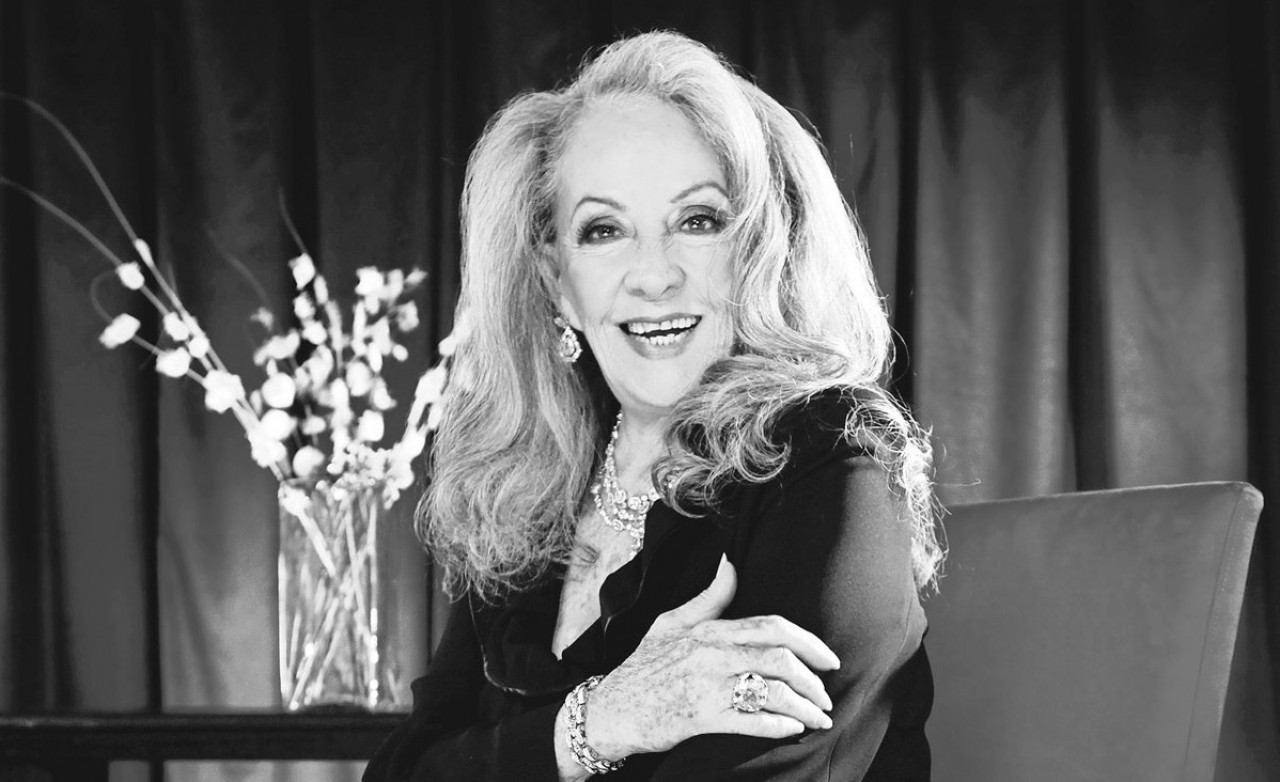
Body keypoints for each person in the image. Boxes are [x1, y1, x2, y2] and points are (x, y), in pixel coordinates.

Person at [364, 30, 943, 782]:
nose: (653, 275)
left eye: (697, 220)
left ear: (760, 247)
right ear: (556, 281)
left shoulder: (836, 463)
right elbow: (402, 771)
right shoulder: (529, 498)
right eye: (603, 231)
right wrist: (602, 720)